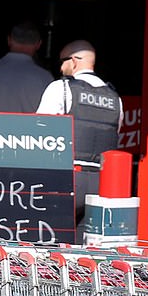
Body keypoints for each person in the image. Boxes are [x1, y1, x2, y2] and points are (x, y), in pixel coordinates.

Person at [36, 39, 123, 240]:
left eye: (62, 61)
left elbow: (38, 131)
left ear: (74, 61)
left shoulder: (61, 88)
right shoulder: (114, 97)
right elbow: (115, 132)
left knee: (51, 246)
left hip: (68, 179)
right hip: (102, 184)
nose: (60, 67)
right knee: (84, 251)